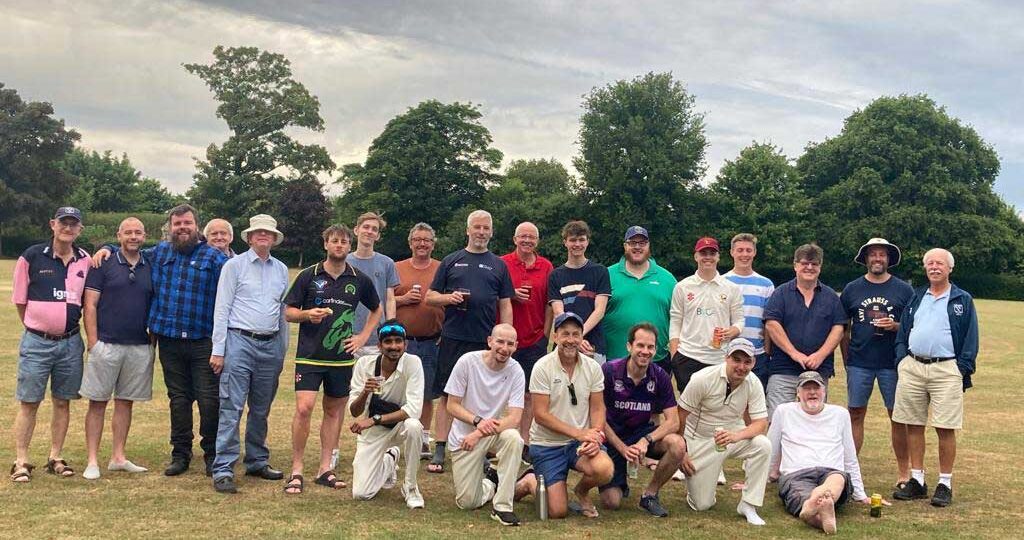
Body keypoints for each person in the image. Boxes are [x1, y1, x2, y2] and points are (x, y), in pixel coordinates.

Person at [94, 204, 229, 476]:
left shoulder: (213, 258)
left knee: (208, 400)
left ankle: (212, 455)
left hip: (203, 340)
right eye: (177, 224)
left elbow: (230, 291)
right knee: (178, 399)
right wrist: (107, 245)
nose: (182, 228)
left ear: (196, 227)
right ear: (170, 227)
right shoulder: (159, 253)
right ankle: (180, 454)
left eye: (187, 223)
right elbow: (129, 249)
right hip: (168, 339)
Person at [284, 224, 382, 494]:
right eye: (334, 241)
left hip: (341, 358)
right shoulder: (308, 275)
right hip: (310, 356)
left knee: (334, 411)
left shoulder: (359, 279)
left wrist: (362, 338)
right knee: (304, 408)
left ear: (349, 246)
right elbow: (288, 312)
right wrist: (307, 315)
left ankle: (325, 468)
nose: (339, 245)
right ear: (325, 244)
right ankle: (297, 470)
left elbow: (377, 309)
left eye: (343, 241)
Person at [425, 210, 514, 473]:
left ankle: (481, 449)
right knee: (446, 393)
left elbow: (505, 304)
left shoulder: (498, 264)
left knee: (480, 398)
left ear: (491, 232)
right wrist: (447, 298)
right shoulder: (452, 261)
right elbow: (430, 297)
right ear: (468, 230)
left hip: (484, 340)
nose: (481, 232)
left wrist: (505, 334)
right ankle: (440, 447)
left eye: (486, 228)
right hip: (453, 337)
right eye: (477, 227)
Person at [207, 214, 290, 493]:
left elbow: (282, 311)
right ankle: (223, 468)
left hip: (270, 344)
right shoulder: (234, 266)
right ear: (250, 238)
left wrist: (282, 348)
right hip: (239, 341)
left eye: (268, 233)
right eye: (258, 233)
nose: (263, 236)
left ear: (274, 238)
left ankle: (256, 460)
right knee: (231, 406)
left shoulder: (281, 269)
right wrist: (219, 350)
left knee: (261, 408)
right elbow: (222, 308)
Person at [892, 248, 978, 508]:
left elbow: (971, 338)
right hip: (913, 366)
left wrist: (961, 368)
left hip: (946, 369)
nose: (934, 267)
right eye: (929, 263)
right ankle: (917, 479)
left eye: (939, 263)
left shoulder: (962, 298)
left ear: (950, 268)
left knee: (945, 427)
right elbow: (904, 331)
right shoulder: (917, 296)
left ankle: (945, 483)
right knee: (913, 424)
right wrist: (901, 360)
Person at [10, 207, 91, 482]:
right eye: (63, 223)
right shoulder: (31, 256)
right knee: (29, 402)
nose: (68, 228)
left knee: (62, 402)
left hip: (70, 343)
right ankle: (21, 460)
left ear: (80, 229)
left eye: (73, 224)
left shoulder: (85, 260)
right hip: (37, 342)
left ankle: (55, 456)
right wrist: (38, 326)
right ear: (53, 225)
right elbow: (20, 301)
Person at [81, 217, 155, 480]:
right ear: (119, 235)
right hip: (106, 344)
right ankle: (92, 460)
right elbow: (89, 305)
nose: (133, 236)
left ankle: (118, 457)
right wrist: (93, 343)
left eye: (138, 232)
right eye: (128, 233)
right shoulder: (103, 262)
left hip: (138, 346)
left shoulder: (151, 263)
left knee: (125, 403)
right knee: (98, 403)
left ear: (145, 236)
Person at [839, 238, 914, 491]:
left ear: (889, 259)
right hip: (859, 362)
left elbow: (914, 327)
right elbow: (843, 329)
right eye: (873, 255)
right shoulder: (852, 289)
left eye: (882, 255)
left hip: (892, 363)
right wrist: (848, 360)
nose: (877, 259)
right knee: (855, 413)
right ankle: (849, 468)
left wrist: (895, 326)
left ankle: (904, 472)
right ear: (866, 259)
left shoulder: (904, 290)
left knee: (898, 417)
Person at [676, 338, 771, 526]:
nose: (741, 367)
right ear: (726, 358)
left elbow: (761, 424)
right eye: (737, 360)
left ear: (753, 363)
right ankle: (701, 482)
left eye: (747, 362)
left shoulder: (753, 382)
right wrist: (683, 451)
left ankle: (748, 504)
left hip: (733, 435)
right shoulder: (702, 378)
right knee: (702, 505)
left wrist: (736, 436)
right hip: (700, 439)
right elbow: (680, 415)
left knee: (763, 445)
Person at [769, 371, 877, 535]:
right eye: (807, 388)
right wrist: (755, 482)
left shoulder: (840, 414)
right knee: (799, 495)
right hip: (796, 473)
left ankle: (817, 501)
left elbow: (849, 457)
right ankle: (822, 516)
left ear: (824, 392)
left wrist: (860, 494)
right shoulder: (784, 411)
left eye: (816, 388)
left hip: (831, 471)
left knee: (837, 479)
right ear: (798, 393)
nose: (812, 392)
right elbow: (771, 449)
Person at [529, 312, 614, 519]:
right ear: (555, 337)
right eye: (565, 334)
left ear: (582, 337)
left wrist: (596, 435)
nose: (570, 340)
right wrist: (579, 433)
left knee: (605, 469)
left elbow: (598, 408)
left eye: (576, 334)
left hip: (579, 444)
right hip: (547, 444)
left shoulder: (593, 367)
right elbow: (540, 415)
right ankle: (529, 482)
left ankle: (581, 491)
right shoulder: (542, 367)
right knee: (557, 511)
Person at [599, 323, 686, 517]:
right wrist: (622, 448)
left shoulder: (660, 376)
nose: (645, 351)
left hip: (641, 434)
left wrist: (645, 441)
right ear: (629, 346)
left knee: (678, 445)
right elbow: (598, 418)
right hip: (613, 439)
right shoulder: (610, 371)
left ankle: (650, 495)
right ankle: (620, 484)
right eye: (640, 345)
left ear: (655, 349)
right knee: (611, 502)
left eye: (650, 347)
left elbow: (673, 421)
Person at [445, 324, 529, 526]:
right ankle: (491, 482)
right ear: (490, 341)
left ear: (516, 346)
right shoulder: (467, 362)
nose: (504, 348)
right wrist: (478, 423)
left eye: (510, 344)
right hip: (464, 438)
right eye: (500, 341)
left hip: (489, 433)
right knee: (467, 503)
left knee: (514, 438)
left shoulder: (516, 370)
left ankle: (502, 506)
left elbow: (515, 418)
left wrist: (479, 433)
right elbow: (452, 406)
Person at [764, 244, 847, 418]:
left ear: (820, 267)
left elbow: (838, 328)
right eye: (804, 263)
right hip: (783, 369)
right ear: (795, 265)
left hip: (817, 372)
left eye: (814, 264)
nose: (809, 267)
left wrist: (820, 355)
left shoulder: (831, 297)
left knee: (814, 421)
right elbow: (772, 324)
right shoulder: (781, 293)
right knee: (778, 419)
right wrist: (794, 353)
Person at [349, 321, 425, 509]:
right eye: (388, 342)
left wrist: (375, 419)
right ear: (379, 346)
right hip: (374, 431)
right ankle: (390, 458)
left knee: (414, 426)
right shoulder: (364, 364)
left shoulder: (413, 363)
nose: (393, 346)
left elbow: (413, 410)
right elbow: (354, 411)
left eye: (398, 341)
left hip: (399, 425)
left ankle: (411, 487)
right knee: (361, 493)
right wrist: (365, 392)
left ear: (405, 345)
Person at [500, 222, 553, 454]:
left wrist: (545, 334)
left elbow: (550, 304)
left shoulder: (546, 266)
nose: (527, 241)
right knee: (501, 392)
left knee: (530, 395)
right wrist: (511, 295)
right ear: (514, 239)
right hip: (507, 339)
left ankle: (524, 442)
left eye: (532, 237)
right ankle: (498, 438)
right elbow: (494, 296)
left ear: (537, 241)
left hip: (534, 339)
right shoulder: (502, 263)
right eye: (523, 236)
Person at [668, 236, 745, 393]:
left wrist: (733, 331)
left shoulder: (731, 288)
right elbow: (675, 321)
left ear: (718, 256)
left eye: (712, 253)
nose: (708, 257)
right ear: (696, 256)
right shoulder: (682, 287)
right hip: (688, 356)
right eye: (703, 253)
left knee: (716, 408)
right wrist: (674, 355)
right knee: (687, 410)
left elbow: (739, 321)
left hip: (719, 358)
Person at [394, 223, 445, 458]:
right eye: (417, 239)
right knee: (399, 391)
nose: (422, 243)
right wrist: (403, 299)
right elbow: (384, 302)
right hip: (401, 342)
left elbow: (451, 301)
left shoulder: (442, 268)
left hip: (431, 340)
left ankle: (423, 440)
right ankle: (396, 437)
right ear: (410, 242)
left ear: (433, 244)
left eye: (427, 240)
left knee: (425, 393)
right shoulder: (396, 268)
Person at [604, 226, 675, 368]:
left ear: (649, 246)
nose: (637, 247)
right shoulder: (606, 275)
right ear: (625, 246)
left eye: (642, 243)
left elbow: (679, 319)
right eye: (632, 243)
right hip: (614, 359)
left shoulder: (668, 279)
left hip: (656, 359)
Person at [547, 220, 611, 363]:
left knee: (595, 385)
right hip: (564, 345)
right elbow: (558, 312)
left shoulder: (600, 272)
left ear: (587, 241)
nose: (577, 244)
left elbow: (599, 311)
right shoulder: (555, 275)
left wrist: (579, 335)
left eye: (581, 240)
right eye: (572, 240)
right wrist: (573, 338)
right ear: (565, 242)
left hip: (593, 346)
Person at [724, 233, 775, 391]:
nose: (744, 254)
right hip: (729, 353)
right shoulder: (722, 282)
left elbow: (769, 323)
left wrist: (766, 352)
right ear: (732, 252)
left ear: (754, 252)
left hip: (757, 354)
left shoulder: (766, 285)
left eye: (748, 250)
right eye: (740, 250)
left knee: (755, 404)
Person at [346, 212, 399, 359]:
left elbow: (390, 299)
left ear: (378, 236)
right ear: (356, 230)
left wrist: (390, 330)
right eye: (366, 227)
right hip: (347, 337)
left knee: (375, 382)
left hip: (375, 341)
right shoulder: (344, 262)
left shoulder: (387, 263)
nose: (369, 231)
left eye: (374, 229)